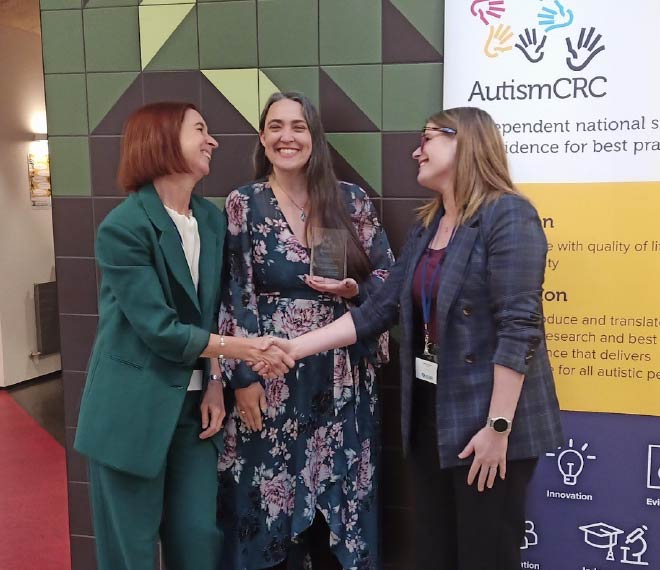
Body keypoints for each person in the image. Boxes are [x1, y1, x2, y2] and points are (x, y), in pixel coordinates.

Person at [270, 107, 564, 570]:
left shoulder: (507, 214)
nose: (416, 150)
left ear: (466, 142)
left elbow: (520, 326)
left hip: (489, 424)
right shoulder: (429, 226)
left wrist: (499, 428)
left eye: (428, 138)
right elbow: (378, 309)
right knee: (434, 552)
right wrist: (294, 348)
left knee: (485, 555)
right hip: (433, 415)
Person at [74, 102, 293, 570]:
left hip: (196, 413)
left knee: (197, 539)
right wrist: (242, 349)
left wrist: (215, 380)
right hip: (130, 414)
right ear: (162, 140)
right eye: (200, 130)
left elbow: (209, 312)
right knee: (128, 553)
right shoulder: (125, 227)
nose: (212, 141)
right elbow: (160, 330)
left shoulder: (211, 221)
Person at [216, 92, 394, 570]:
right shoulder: (244, 203)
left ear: (314, 137)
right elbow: (235, 293)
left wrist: (353, 287)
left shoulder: (350, 200)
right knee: (268, 502)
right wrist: (243, 379)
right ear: (262, 137)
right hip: (271, 372)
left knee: (342, 503)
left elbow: (388, 280)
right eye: (275, 126)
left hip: (342, 378)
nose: (286, 136)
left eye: (298, 127)